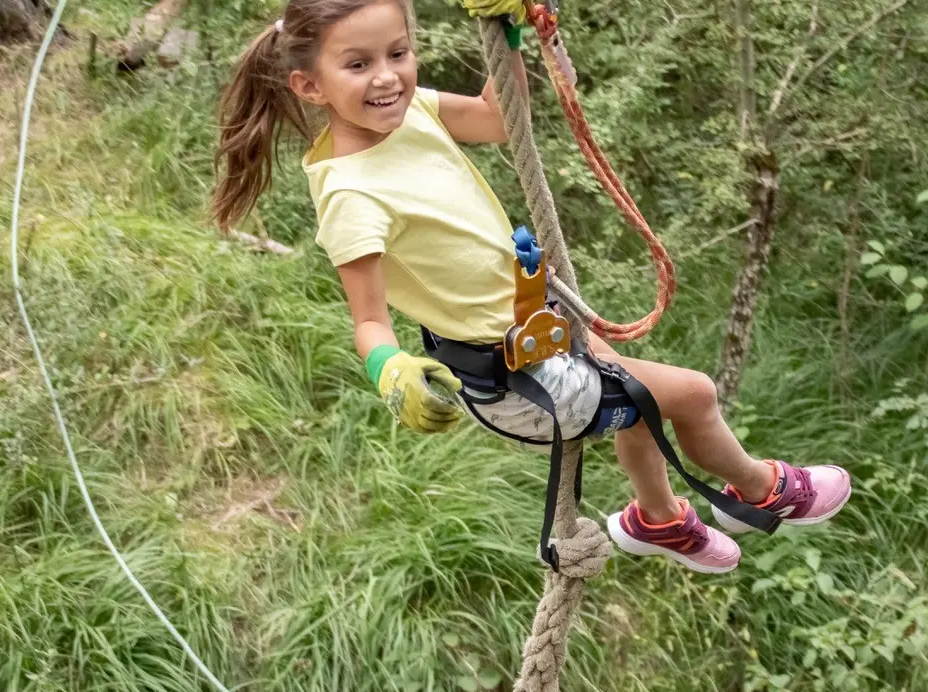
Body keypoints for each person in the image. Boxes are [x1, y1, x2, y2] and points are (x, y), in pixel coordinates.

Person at [210, 0, 850, 574]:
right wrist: (390, 370)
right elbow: (369, 322)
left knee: (641, 399)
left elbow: (498, 118)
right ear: (309, 85)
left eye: (397, 53)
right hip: (518, 381)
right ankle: (762, 490)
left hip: (540, 324)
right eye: (358, 64)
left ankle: (657, 520)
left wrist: (509, 30)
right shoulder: (350, 195)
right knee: (692, 393)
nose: (387, 77)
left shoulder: (413, 113)